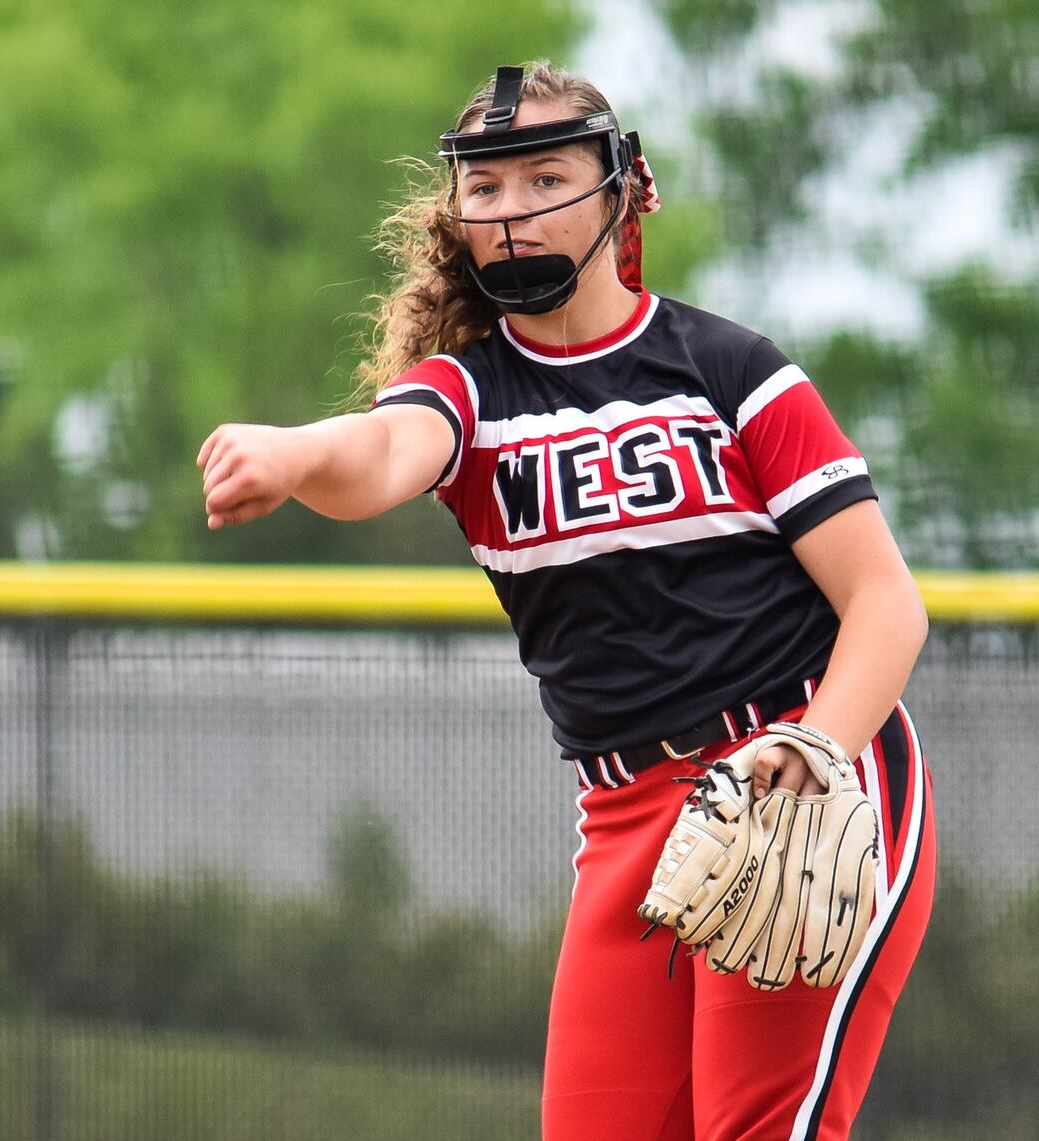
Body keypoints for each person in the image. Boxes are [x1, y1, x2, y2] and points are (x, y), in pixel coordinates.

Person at [196, 60, 936, 1141]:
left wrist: (813, 746)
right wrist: (296, 451)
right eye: (484, 189)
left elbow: (884, 601)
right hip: (625, 814)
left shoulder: (726, 370)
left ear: (621, 189)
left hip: (800, 775)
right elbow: (382, 452)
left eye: (544, 177)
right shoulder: (471, 394)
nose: (509, 211)